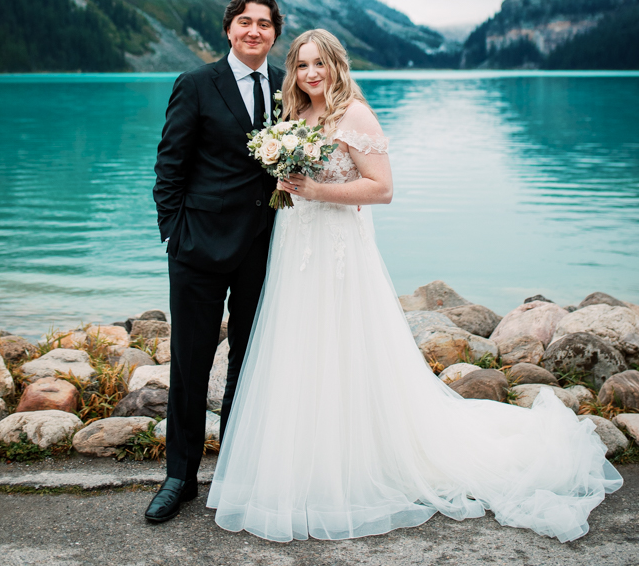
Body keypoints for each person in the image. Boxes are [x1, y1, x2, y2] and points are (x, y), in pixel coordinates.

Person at [207, 28, 622, 544]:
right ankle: (305, 460)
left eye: (320, 64)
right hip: (296, 247)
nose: (310, 74)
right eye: (301, 65)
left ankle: (356, 464)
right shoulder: (294, 116)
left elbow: (382, 188)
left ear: (337, 65)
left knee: (344, 346)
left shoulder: (353, 114)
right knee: (301, 348)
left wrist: (314, 188)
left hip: (338, 250)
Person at [145, 0, 285, 524]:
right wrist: (173, 234)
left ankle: (234, 469)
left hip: (262, 247)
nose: (254, 32)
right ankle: (179, 476)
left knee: (248, 363)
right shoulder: (196, 84)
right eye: (245, 23)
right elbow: (169, 165)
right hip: (197, 246)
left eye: (265, 25)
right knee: (191, 362)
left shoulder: (286, 88)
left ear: (275, 34)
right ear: (229, 30)